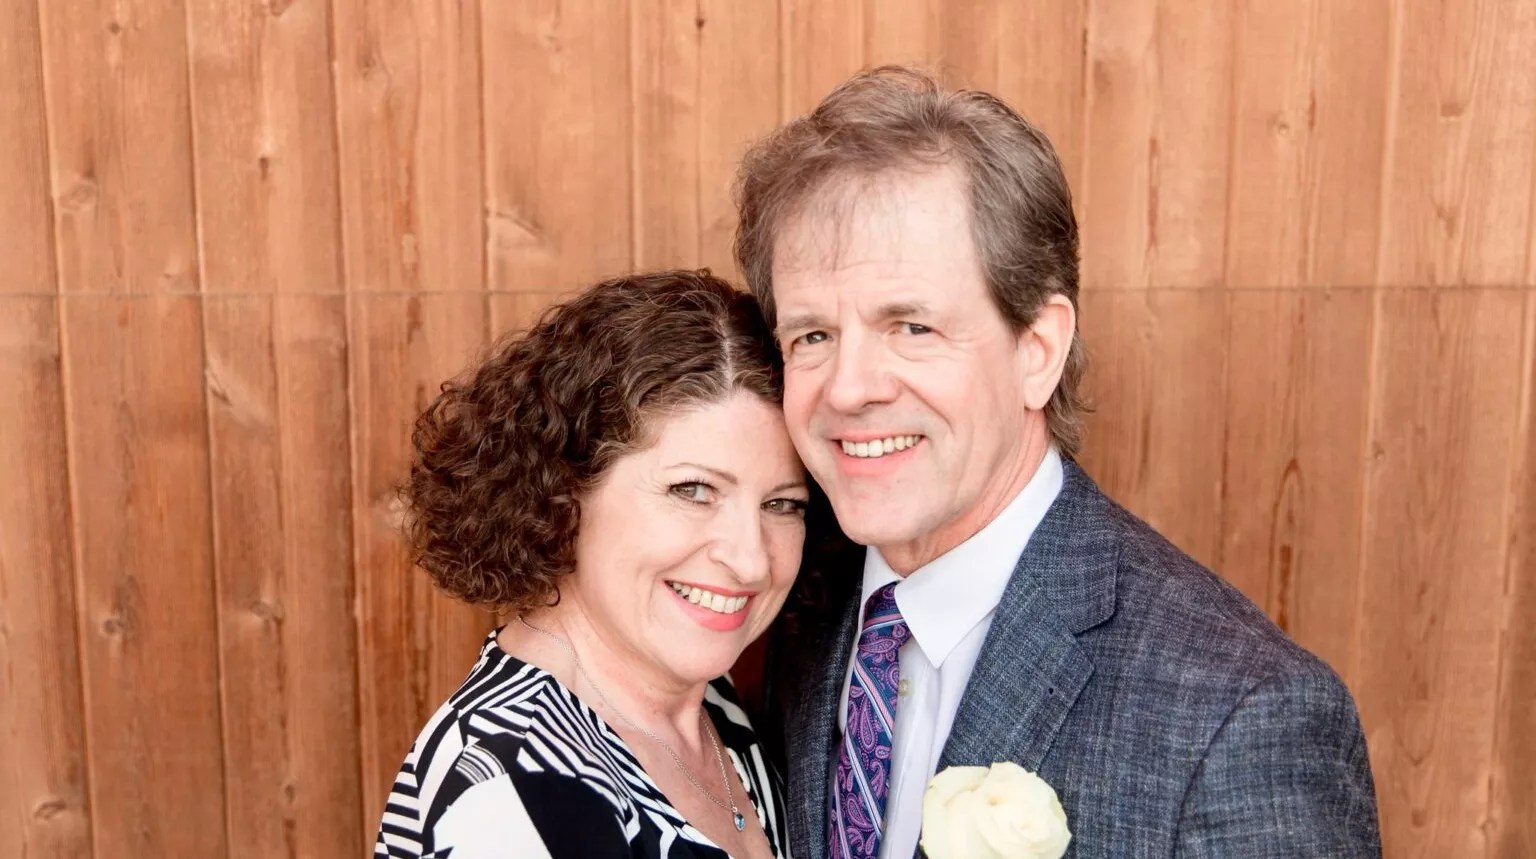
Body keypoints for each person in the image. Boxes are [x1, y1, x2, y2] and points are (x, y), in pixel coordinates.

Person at [735, 67, 1381, 858]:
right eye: (812, 336)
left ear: (1038, 351)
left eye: (911, 327)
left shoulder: (1244, 719)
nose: (849, 387)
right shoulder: (780, 603)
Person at [375, 271, 816, 858]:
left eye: (782, 504)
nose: (750, 559)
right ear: (563, 488)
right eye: (693, 491)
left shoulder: (713, 704)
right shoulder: (512, 791)